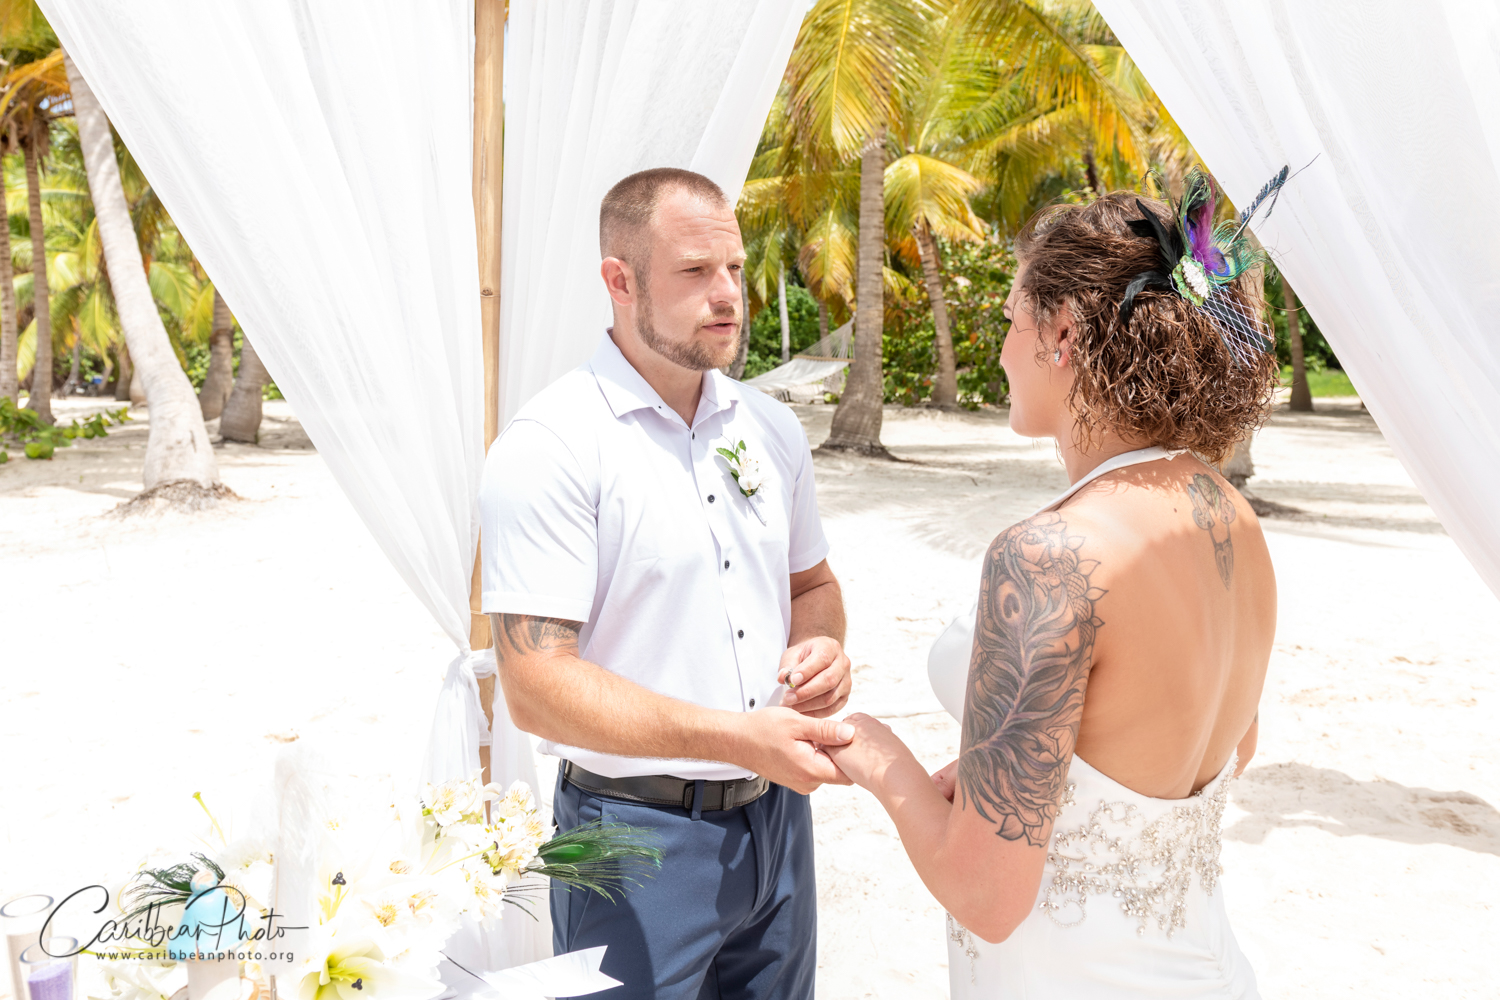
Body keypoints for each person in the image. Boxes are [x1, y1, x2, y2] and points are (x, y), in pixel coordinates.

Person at [824, 185, 1280, 998]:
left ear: (1062, 330)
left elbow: (986, 897)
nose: (1002, 350)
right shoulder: (1228, 513)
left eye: (1011, 319)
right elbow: (1224, 743)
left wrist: (878, 756)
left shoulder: (1048, 556)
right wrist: (1014, 773)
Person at [478, 167, 853, 999]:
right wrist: (736, 738)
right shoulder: (551, 445)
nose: (727, 295)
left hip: (777, 819)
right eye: (695, 271)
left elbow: (812, 584)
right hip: (626, 833)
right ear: (619, 281)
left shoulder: (771, 427)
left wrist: (822, 644)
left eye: (735, 268)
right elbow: (535, 687)